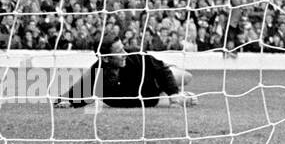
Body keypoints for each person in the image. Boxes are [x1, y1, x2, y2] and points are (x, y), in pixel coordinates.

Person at [57, 35, 195, 109]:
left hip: (154, 81)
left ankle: (177, 89)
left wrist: (174, 95)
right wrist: (66, 102)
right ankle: (179, 94)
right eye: (118, 51)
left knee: (186, 77)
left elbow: (161, 70)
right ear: (105, 59)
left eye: (123, 48)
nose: (124, 54)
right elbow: (74, 95)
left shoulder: (135, 55)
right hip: (148, 99)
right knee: (180, 98)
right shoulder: (97, 74)